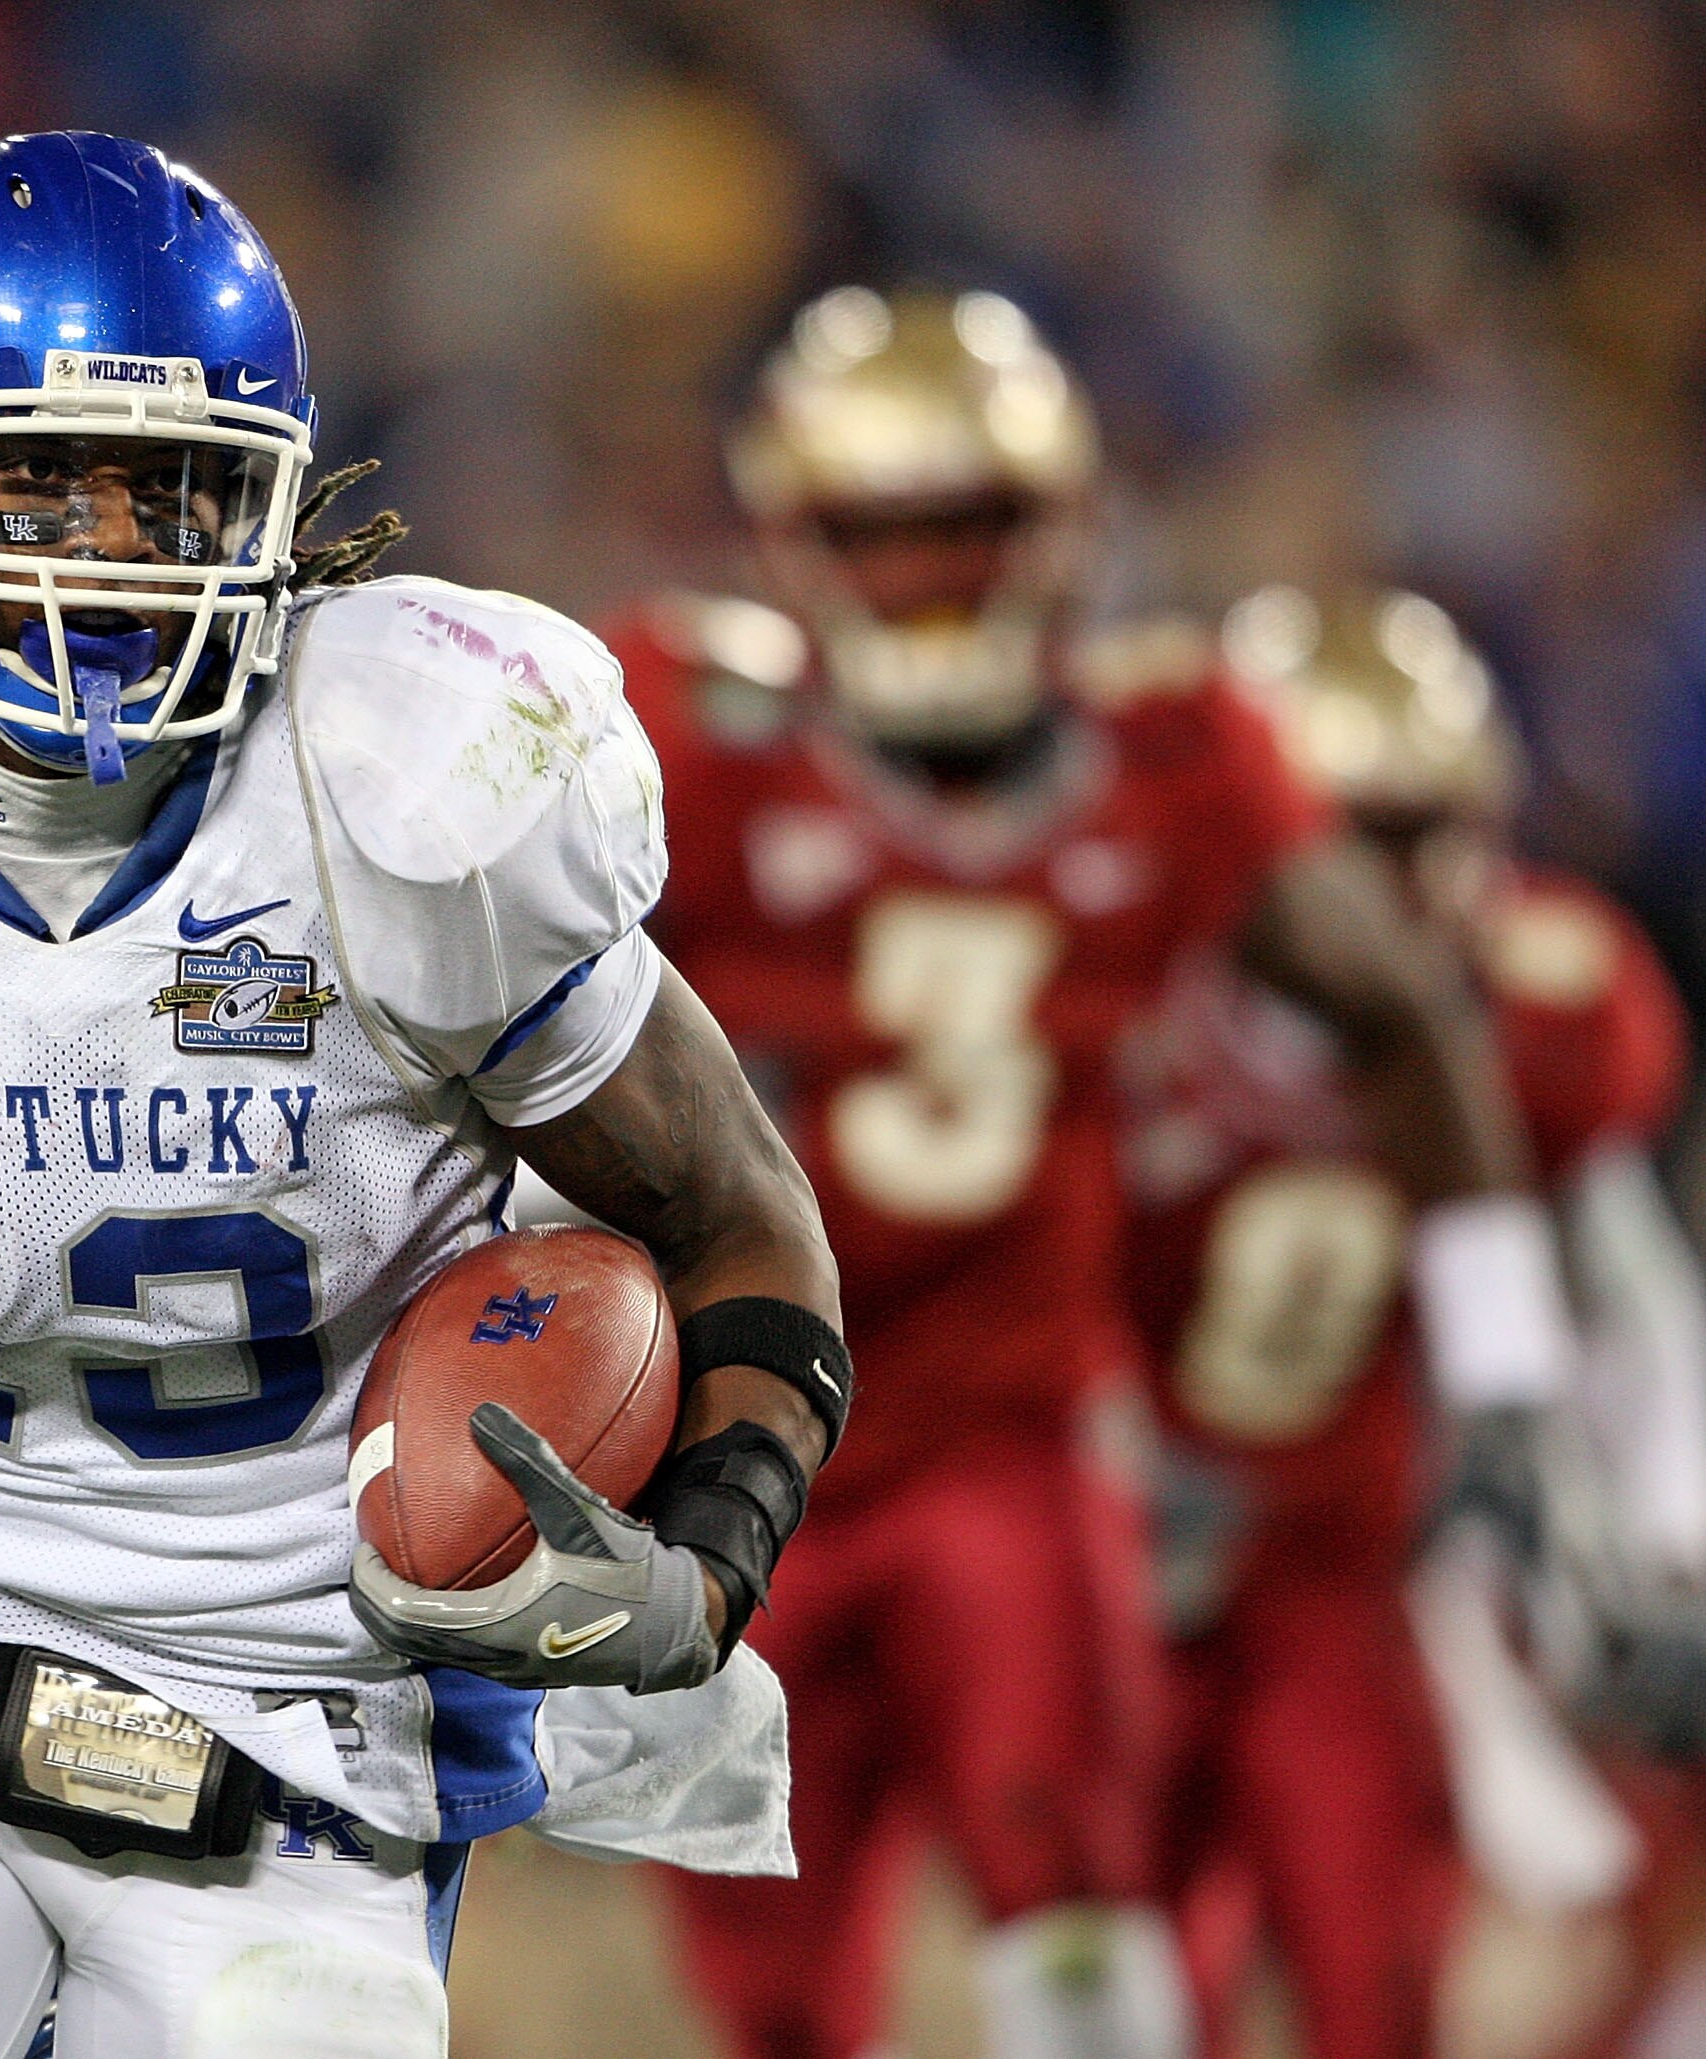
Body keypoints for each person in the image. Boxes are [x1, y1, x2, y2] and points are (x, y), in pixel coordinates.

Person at [0, 130, 847, 2059]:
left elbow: (738, 1217)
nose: (109, 551)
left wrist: (708, 1558)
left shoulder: (407, 795)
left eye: (175, 491)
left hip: (311, 1694)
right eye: (38, 479)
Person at [612, 288, 1552, 2059]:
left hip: (1012, 1443)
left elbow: (1403, 1014)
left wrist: (1502, 1370)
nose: (935, 587)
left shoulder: (1173, 761)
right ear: (794, 545)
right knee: (776, 1987)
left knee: (1072, 1898)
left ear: (1067, 534)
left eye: (970, 533)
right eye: (887, 541)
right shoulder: (687, 739)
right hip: (731, 1458)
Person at [1116, 585, 1688, 2059]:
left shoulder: (1542, 1005)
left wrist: (1658, 1532)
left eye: (1442, 824)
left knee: (1377, 1983)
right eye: (1367, 835)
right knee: (1121, 1982)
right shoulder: (1119, 976)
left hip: (1355, 1565)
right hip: (1117, 1557)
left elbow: (1629, 1305)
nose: (1419, 880)